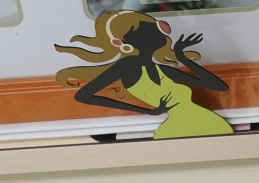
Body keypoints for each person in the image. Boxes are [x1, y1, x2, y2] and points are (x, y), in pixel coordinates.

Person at [56, 10, 232, 138]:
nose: (158, 29)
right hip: (177, 129)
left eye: (156, 26)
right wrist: (148, 111)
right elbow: (83, 95)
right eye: (146, 28)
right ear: (126, 42)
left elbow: (218, 86)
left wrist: (182, 57)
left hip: (208, 122)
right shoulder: (128, 65)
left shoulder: (164, 70)